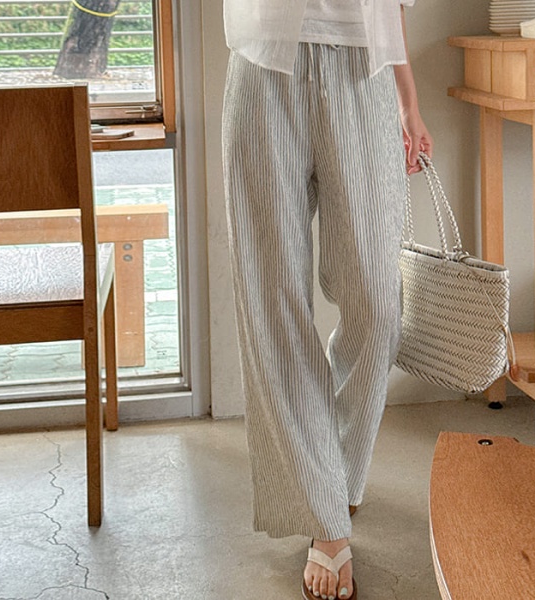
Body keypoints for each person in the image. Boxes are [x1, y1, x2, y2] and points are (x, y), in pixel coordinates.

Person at [221, 1, 433, 598]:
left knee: (377, 302)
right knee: (274, 300)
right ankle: (327, 520)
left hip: (364, 71)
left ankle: (334, 471)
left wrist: (408, 100)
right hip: (265, 68)